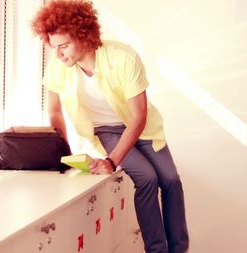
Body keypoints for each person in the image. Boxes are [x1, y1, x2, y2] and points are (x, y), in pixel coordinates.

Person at [32, 1, 189, 252]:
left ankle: (179, 249)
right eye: (53, 47)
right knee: (147, 178)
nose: (58, 54)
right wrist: (62, 152)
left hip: (144, 128)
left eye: (63, 46)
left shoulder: (123, 57)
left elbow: (138, 116)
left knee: (170, 180)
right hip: (108, 130)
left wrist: (111, 161)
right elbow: (54, 111)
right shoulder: (58, 67)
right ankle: (157, 250)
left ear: (84, 35)